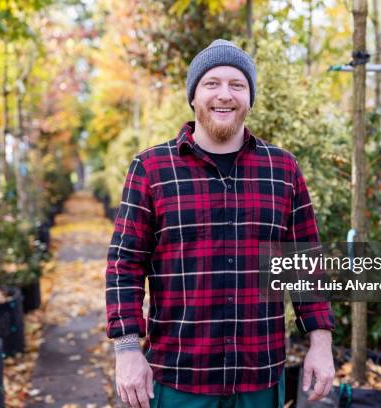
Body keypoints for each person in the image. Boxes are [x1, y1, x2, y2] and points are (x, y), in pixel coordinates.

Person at [106, 39, 335, 408]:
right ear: (194, 96)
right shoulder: (152, 169)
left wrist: (321, 344)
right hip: (179, 376)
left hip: (260, 376)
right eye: (211, 83)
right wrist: (127, 349)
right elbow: (124, 265)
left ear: (250, 98)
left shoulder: (282, 169)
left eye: (237, 85)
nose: (224, 95)